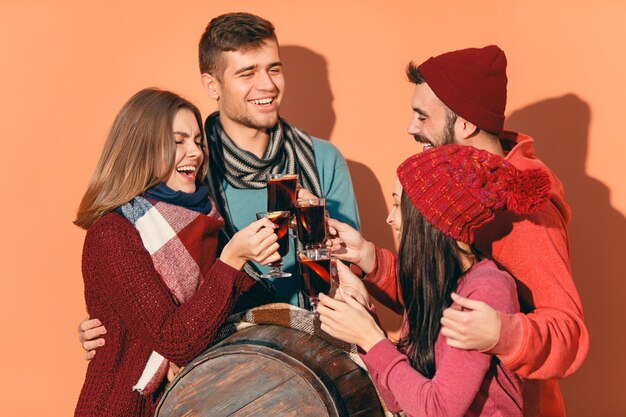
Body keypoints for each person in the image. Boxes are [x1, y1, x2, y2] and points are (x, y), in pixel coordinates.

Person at [326, 45, 588, 417]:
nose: (410, 128)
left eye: (422, 116)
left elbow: (568, 335)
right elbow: (447, 297)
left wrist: (502, 332)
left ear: (464, 124)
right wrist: (371, 261)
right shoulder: (454, 189)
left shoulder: (530, 216)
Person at [73, 88, 281, 416]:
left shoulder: (203, 221)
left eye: (197, 141)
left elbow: (228, 312)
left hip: (189, 402)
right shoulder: (112, 234)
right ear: (141, 148)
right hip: (128, 407)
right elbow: (176, 340)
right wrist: (232, 261)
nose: (195, 152)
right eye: (178, 141)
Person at [320, 144, 553, 416]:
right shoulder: (431, 281)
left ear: (428, 218)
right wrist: (363, 314)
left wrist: (371, 339)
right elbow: (399, 401)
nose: (390, 218)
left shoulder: (485, 290)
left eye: (398, 205)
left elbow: (438, 410)